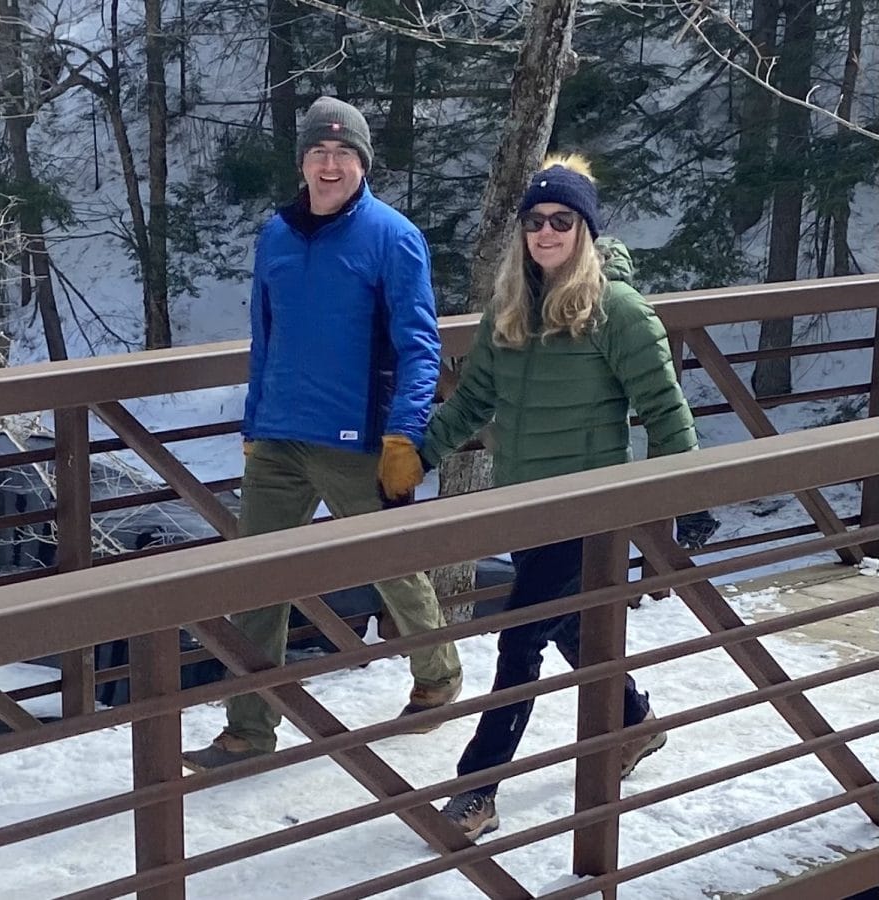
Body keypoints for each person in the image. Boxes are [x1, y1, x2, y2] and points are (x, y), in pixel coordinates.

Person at [416, 154, 699, 838]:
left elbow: (666, 411)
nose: (546, 232)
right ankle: (634, 721)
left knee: (519, 640)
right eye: (535, 221)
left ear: (585, 230)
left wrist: (686, 501)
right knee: (571, 625)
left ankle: (477, 790)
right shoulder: (509, 311)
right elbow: (473, 400)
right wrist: (413, 458)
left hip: (591, 511)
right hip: (525, 505)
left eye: (562, 221)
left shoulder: (618, 311)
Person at [181, 96, 463, 772]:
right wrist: (253, 422)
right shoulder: (276, 235)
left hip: (356, 437)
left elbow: (420, 347)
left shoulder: (393, 236)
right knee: (255, 581)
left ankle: (438, 676)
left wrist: (403, 436)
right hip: (278, 436)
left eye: (343, 154)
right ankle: (249, 731)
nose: (329, 165)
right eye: (318, 152)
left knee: (389, 564)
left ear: (362, 163)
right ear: (302, 162)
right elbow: (265, 336)